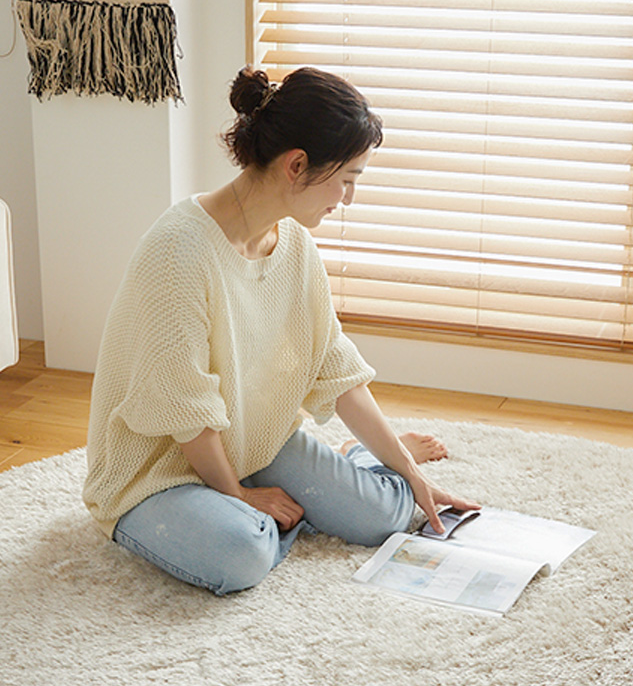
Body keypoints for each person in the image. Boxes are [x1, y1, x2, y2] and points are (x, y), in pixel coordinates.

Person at [83, 66, 479, 595]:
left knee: (385, 515)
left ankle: (347, 461)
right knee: (241, 553)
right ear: (297, 165)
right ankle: (247, 507)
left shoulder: (295, 247)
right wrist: (241, 497)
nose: (348, 198)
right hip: (157, 472)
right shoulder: (179, 252)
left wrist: (410, 470)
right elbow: (187, 413)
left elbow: (335, 369)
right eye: (347, 179)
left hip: (254, 444)